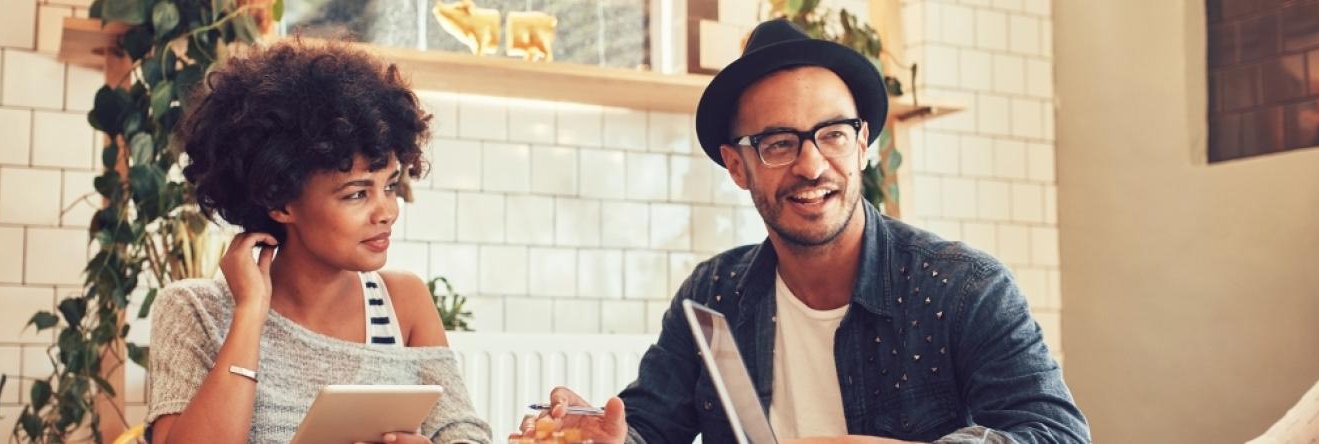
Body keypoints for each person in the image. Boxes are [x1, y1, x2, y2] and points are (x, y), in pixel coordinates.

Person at [522, 19, 1090, 444]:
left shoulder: (965, 289)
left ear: (864, 144)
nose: (812, 165)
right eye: (778, 143)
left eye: (834, 134)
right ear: (739, 167)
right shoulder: (711, 295)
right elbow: (647, 426)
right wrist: (604, 433)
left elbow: (1056, 433)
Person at [144, 39, 490, 444]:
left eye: (390, 186)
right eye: (357, 194)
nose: (387, 212)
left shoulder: (403, 303)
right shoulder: (196, 311)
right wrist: (251, 313)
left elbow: (463, 433)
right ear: (280, 200)